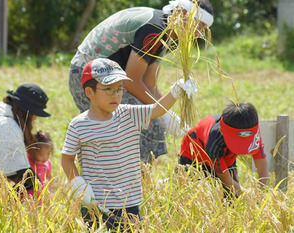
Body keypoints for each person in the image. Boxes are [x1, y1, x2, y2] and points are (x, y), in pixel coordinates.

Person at [69, 0, 214, 163]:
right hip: (88, 76)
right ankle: (135, 180)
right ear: (183, 14)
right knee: (147, 124)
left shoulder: (170, 34)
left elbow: (149, 82)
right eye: (198, 25)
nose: (197, 34)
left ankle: (137, 181)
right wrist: (163, 113)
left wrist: (167, 111)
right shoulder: (155, 29)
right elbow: (132, 81)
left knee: (151, 120)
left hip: (110, 79)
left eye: (202, 29)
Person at [62, 58, 197, 231]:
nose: (115, 95)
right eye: (108, 89)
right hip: (96, 202)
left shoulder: (128, 114)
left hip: (130, 201)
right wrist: (79, 186)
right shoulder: (79, 125)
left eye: (119, 89)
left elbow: (157, 109)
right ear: (89, 92)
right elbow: (67, 159)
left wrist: (176, 91)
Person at [178, 102, 269, 197]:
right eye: (236, 143)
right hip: (194, 158)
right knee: (191, 195)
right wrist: (249, 196)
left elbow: (262, 169)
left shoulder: (253, 134)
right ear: (222, 131)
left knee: (231, 199)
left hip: (226, 155)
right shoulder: (214, 143)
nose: (240, 147)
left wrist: (262, 193)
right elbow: (227, 181)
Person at [27, 130, 53, 197]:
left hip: (41, 196)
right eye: (41, 154)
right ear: (31, 151)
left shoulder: (47, 164)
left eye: (48, 154)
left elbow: (49, 176)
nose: (45, 157)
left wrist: (49, 189)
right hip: (28, 196)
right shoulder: (27, 162)